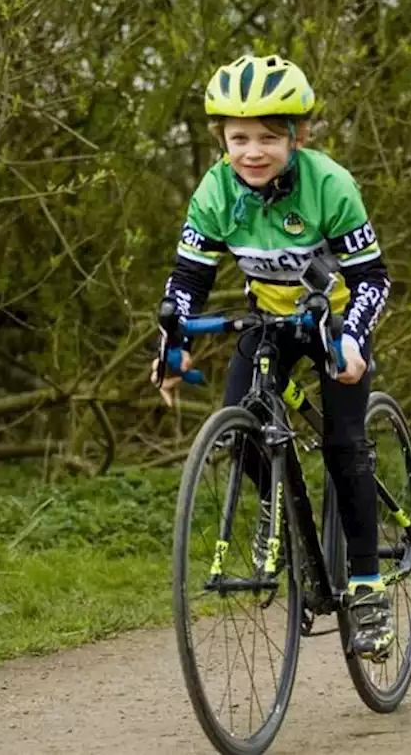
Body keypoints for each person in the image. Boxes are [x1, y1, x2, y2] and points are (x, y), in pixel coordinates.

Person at [150, 54, 394, 660]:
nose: (252, 151)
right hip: (268, 319)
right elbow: (186, 283)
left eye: (267, 137)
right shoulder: (215, 191)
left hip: (334, 318)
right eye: (239, 138)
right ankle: (278, 511)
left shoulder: (329, 185)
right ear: (222, 141)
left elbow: (374, 279)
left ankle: (367, 589)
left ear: (297, 136)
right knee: (239, 430)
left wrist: (352, 341)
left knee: (344, 447)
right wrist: (171, 348)